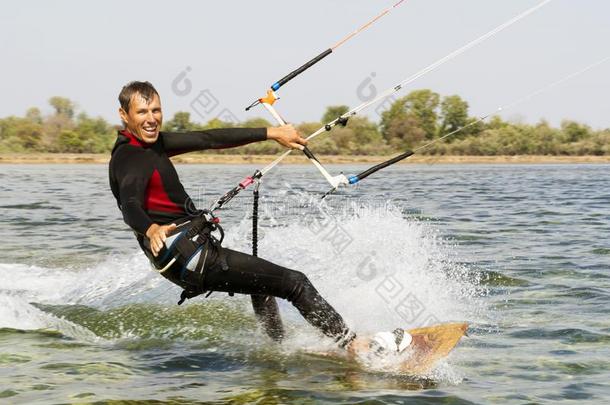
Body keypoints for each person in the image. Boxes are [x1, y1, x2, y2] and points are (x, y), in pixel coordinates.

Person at [108, 81, 411, 355]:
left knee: (262, 285)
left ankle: (278, 348)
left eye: (156, 110)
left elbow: (209, 138)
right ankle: (354, 346)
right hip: (190, 256)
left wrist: (273, 133)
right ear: (125, 115)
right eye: (142, 112)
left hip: (187, 255)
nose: (151, 119)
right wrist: (149, 229)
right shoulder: (129, 157)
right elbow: (130, 202)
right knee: (295, 283)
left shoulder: (153, 144)